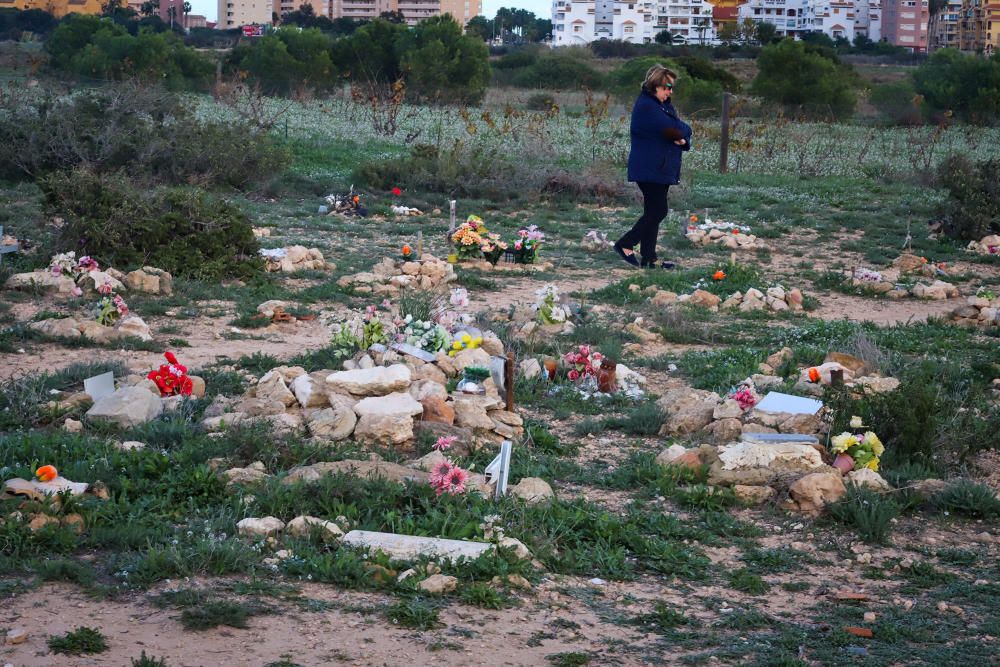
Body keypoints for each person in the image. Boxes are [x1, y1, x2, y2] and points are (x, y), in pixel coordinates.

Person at [614, 64, 692, 269]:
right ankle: (625, 243)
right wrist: (680, 134)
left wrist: (682, 137)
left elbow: (682, 129)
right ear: (655, 85)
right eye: (667, 87)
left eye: (672, 87)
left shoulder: (663, 105)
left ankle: (650, 258)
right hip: (650, 168)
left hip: (660, 167)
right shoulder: (648, 106)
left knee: (652, 211)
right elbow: (675, 128)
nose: (670, 91)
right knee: (658, 211)